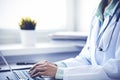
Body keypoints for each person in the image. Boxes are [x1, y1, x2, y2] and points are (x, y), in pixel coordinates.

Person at [29, 0, 120, 80]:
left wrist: (61, 73)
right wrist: (56, 67)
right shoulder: (97, 12)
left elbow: (116, 70)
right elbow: (86, 58)